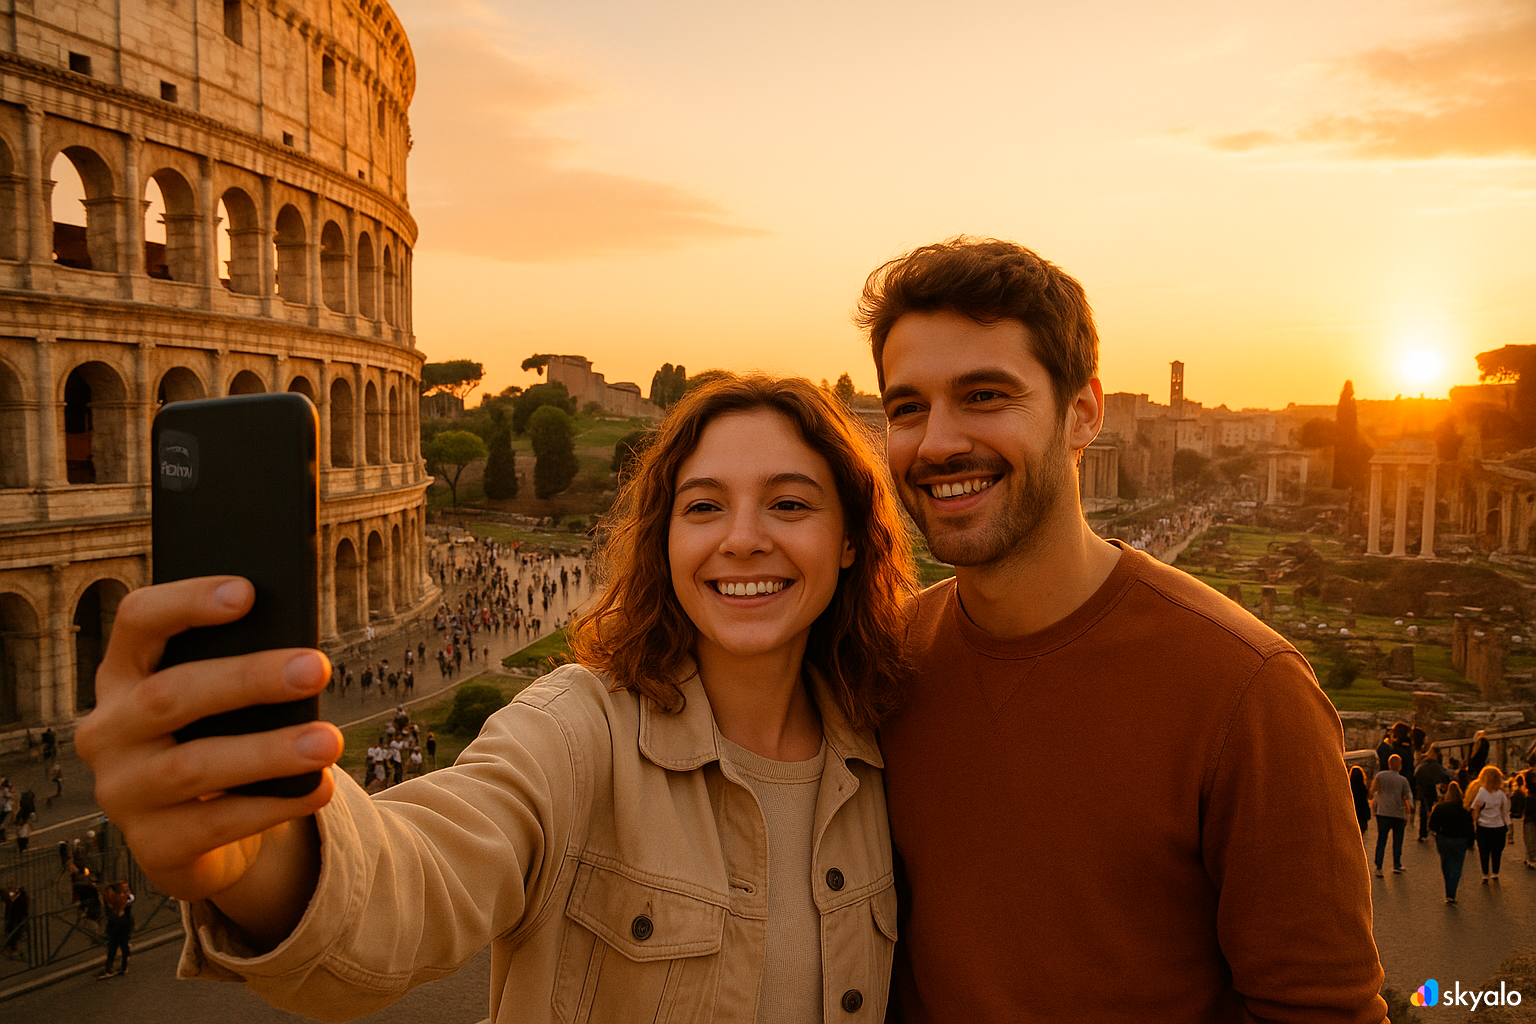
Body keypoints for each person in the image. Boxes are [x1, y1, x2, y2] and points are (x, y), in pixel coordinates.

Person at [77, 374, 915, 1022]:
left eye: (790, 504)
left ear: (848, 541)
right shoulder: (576, 730)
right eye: (703, 507)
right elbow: (420, 876)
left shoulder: (890, 756)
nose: (742, 538)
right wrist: (257, 851)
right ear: (666, 540)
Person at [859, 237, 1386, 1021]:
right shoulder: (881, 664)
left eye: (985, 396)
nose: (937, 443)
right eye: (909, 408)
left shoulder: (1248, 692)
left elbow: (1320, 1011)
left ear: (1083, 415)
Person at [1427, 781, 1474, 904]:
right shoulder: (1464, 809)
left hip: (1444, 838)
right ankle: (1452, 891)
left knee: (1446, 864)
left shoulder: (1440, 807)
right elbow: (1470, 826)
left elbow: (1432, 825)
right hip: (1460, 839)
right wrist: (1471, 841)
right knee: (1457, 866)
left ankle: (1448, 887)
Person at [1369, 754, 1414, 876]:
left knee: (1382, 839)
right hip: (1398, 813)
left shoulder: (1380, 776)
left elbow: (1372, 790)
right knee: (1397, 840)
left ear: (1389, 765)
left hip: (1383, 812)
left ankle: (1378, 866)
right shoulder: (1403, 780)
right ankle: (1396, 864)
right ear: (1400, 766)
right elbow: (1407, 797)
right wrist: (1409, 811)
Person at [1467, 765, 1512, 882]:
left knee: (1484, 851)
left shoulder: (1482, 791)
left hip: (1484, 825)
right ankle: (1495, 872)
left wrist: (1474, 822)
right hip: (1499, 825)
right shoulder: (1501, 793)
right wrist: (1509, 825)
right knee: (1497, 851)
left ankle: (1485, 874)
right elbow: (1505, 810)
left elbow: (1475, 807)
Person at [1413, 743, 1451, 842]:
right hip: (1432, 791)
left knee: (1423, 812)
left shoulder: (1421, 767)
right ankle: (1434, 828)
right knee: (1433, 809)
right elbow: (1446, 776)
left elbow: (1416, 777)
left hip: (1422, 791)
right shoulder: (1437, 767)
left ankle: (1422, 832)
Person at [98, 880, 134, 978]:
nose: (126, 889)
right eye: (124, 888)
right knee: (119, 947)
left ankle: (112, 968)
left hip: (117, 925)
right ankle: (121, 967)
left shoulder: (113, 896)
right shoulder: (117, 897)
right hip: (120, 925)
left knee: (115, 948)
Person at [1349, 765, 1371, 836]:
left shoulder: (1349, 789)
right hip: (1362, 815)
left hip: (1352, 814)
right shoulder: (1363, 788)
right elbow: (1365, 802)